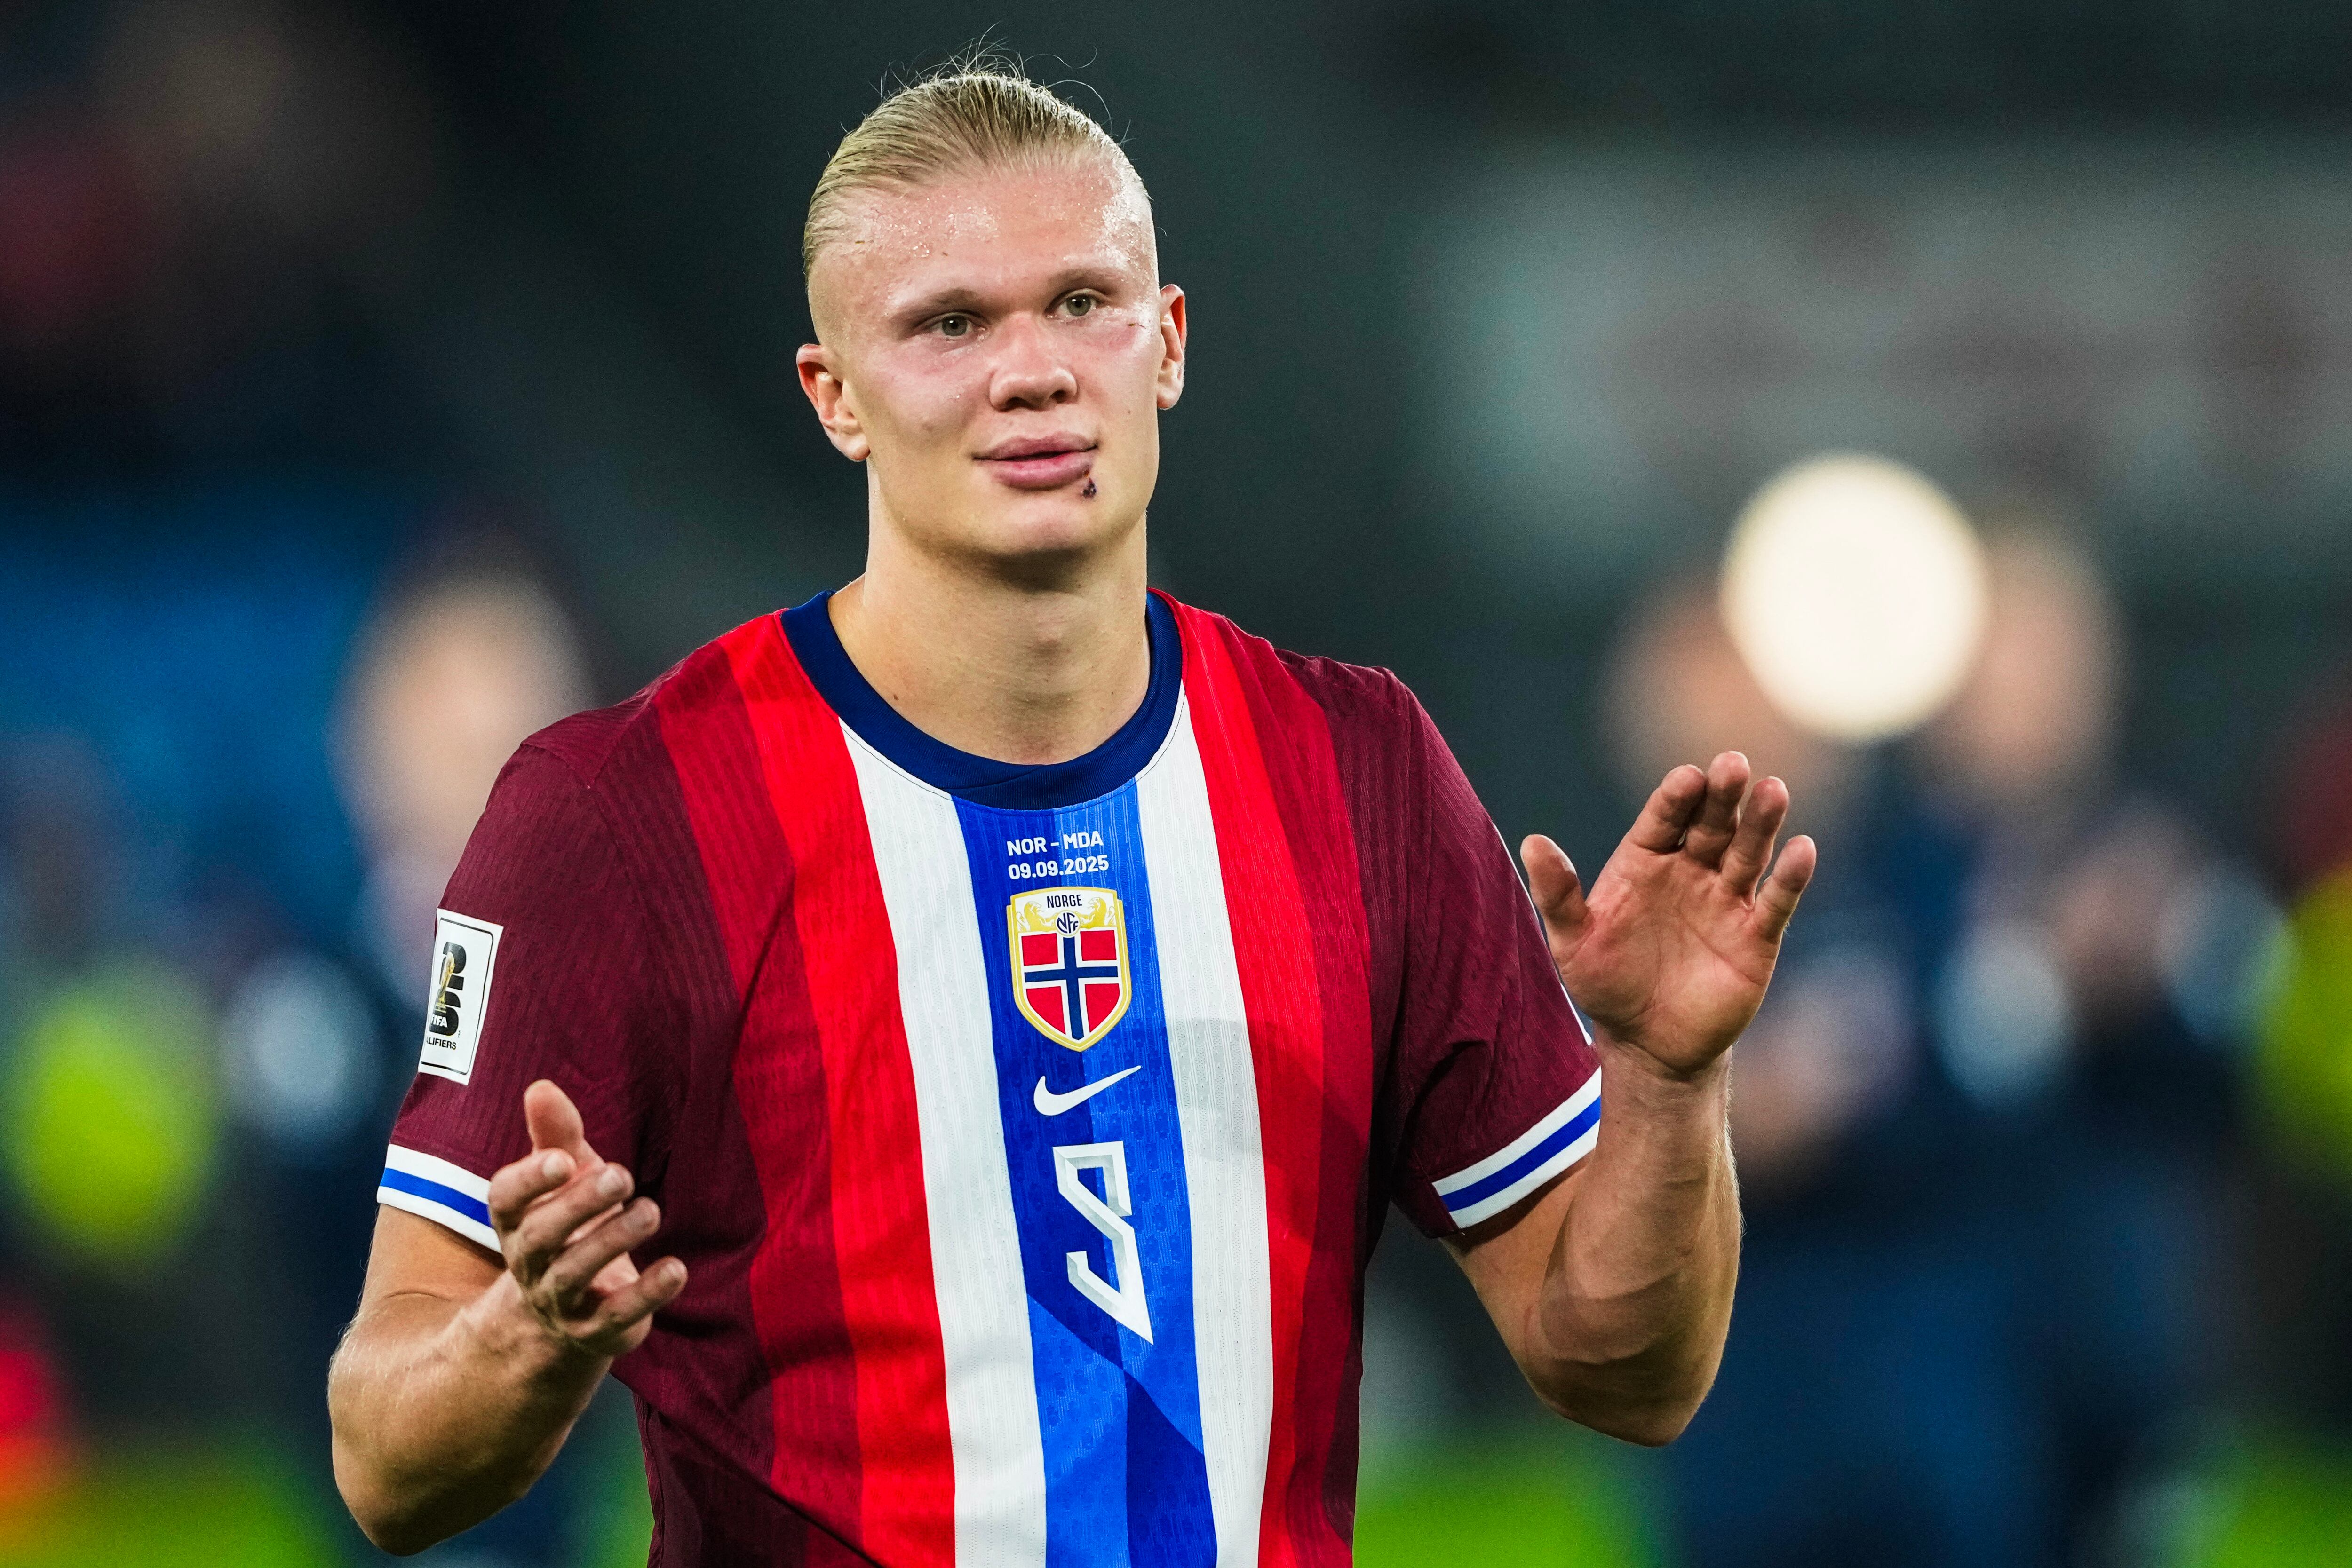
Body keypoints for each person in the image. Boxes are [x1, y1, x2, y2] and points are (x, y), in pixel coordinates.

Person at [325, 57, 1816, 1566]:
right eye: (949, 324)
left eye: (1083, 302)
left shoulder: (1355, 770)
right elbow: (385, 1461)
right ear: (831, 395)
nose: (1031, 370)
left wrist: (1670, 1085)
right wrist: (529, 1337)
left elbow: (1629, 1369)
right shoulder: (621, 818)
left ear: (1166, 344)